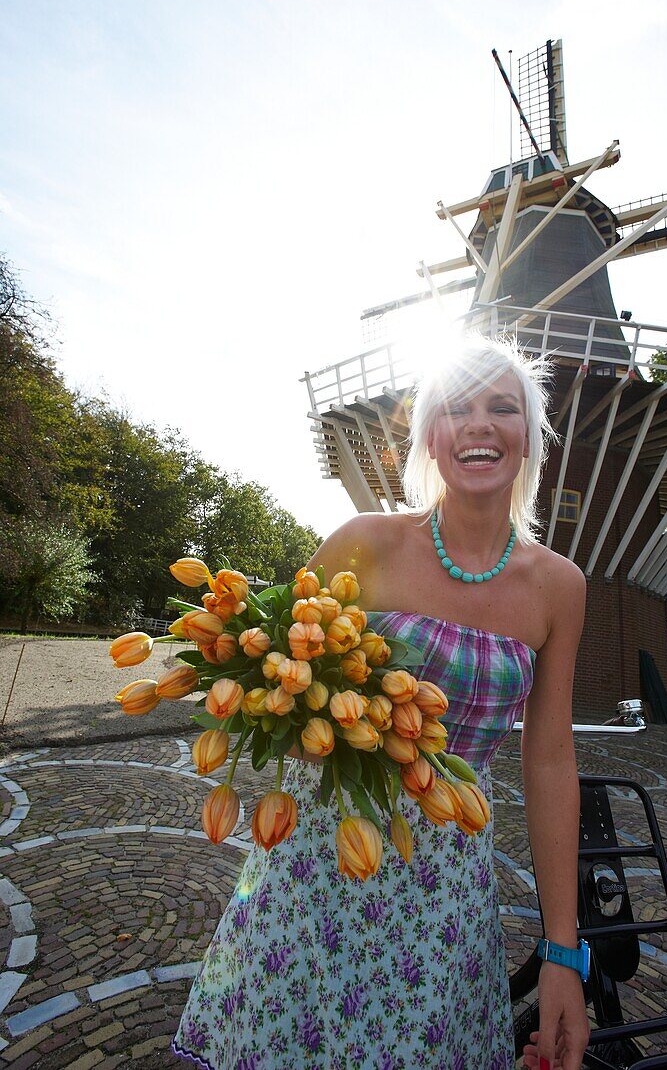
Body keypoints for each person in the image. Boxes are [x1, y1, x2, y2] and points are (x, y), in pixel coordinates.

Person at [173, 335, 589, 1070]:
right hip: (316, 862)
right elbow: (270, 669)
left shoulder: (558, 587)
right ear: (431, 435)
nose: (478, 424)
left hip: (444, 886)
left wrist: (563, 952)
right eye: (457, 408)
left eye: (502, 408)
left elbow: (550, 757)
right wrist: (302, 716)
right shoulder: (362, 543)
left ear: (530, 435)